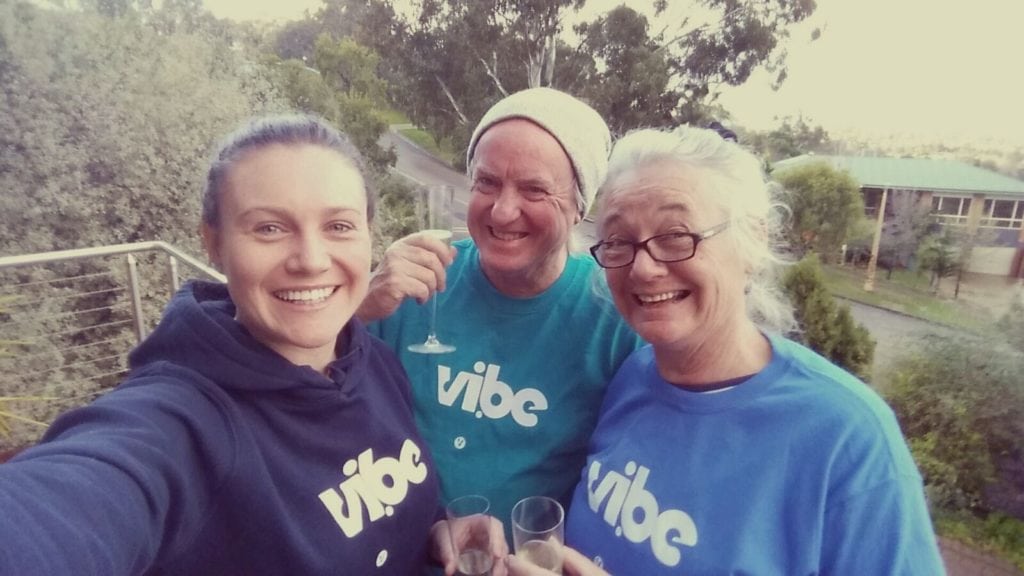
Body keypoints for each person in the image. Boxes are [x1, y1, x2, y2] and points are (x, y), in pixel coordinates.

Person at [0, 115, 441, 575]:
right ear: (213, 242)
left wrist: (435, 533)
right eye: (269, 228)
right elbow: (64, 507)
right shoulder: (184, 422)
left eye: (339, 226)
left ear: (369, 234)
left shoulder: (375, 362)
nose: (311, 260)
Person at [507, 125, 946, 575]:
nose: (644, 267)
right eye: (619, 241)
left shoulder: (847, 439)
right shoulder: (631, 379)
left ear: (751, 242)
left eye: (677, 234)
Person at [360, 87, 643, 543]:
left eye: (534, 189)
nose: (503, 210)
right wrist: (356, 309)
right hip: (395, 551)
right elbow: (314, 398)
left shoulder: (614, 318)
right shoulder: (418, 281)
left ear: (578, 207)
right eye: (487, 183)